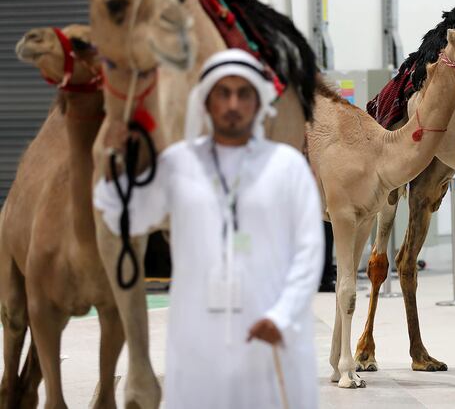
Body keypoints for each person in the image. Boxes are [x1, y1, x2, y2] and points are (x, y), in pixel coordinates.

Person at [94, 49, 323, 408]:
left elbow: (309, 252)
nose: (233, 103)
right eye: (223, 93)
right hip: (197, 335)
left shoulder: (286, 167)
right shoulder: (177, 164)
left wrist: (282, 315)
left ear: (258, 101)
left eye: (243, 93)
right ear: (207, 101)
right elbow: (127, 217)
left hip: (268, 329)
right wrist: (115, 165)